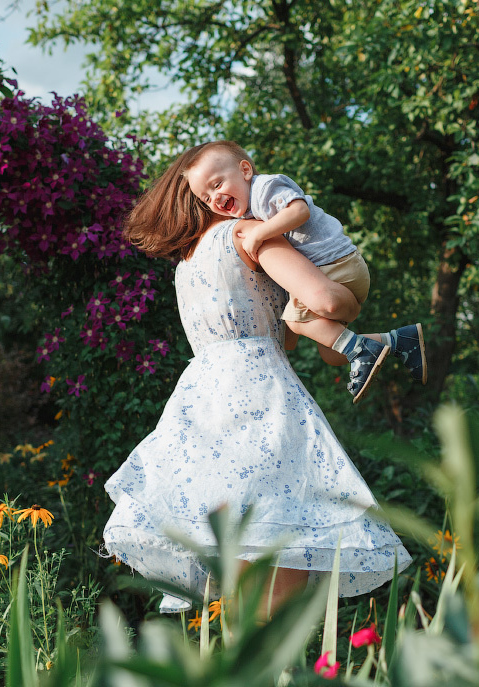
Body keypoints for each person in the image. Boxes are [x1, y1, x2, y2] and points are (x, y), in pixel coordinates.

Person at [102, 146, 412, 616]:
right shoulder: (247, 234)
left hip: (201, 404)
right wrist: (349, 303)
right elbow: (326, 303)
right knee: (282, 561)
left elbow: (280, 331)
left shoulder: (186, 265)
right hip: (260, 396)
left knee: (239, 575)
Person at [183, 140, 426, 403]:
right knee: (332, 353)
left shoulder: (264, 188)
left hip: (337, 263)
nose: (215, 198)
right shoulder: (247, 212)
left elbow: (299, 210)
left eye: (217, 184)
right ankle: (401, 340)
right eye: (206, 198)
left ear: (245, 170)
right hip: (331, 273)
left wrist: (260, 234)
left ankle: (363, 350)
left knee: (296, 322)